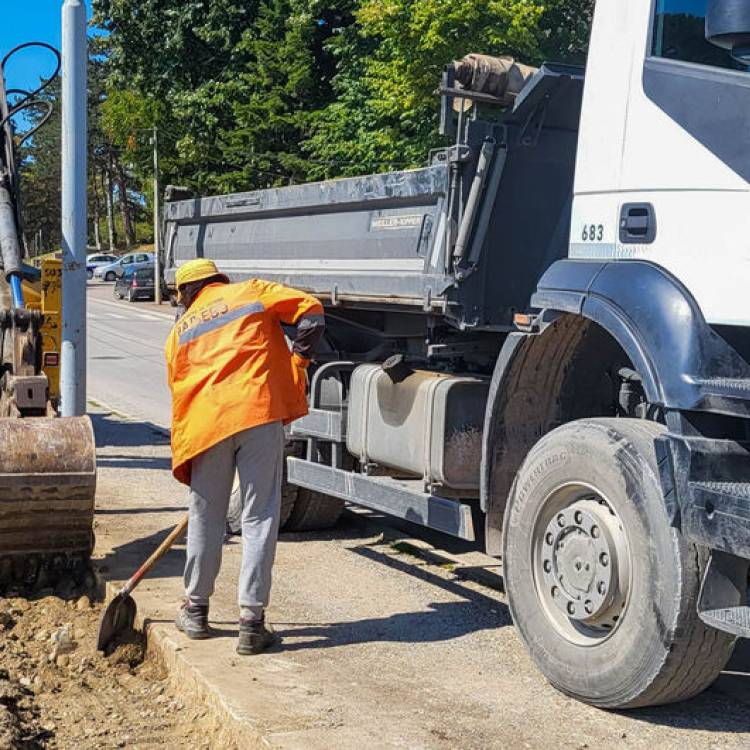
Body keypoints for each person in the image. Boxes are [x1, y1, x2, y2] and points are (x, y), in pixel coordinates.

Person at [164, 259, 324, 655]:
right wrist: (299, 362)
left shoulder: (179, 333)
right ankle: (252, 623)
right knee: (259, 517)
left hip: (206, 427)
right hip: (258, 414)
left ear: (188, 292)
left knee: (205, 518)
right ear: (216, 281)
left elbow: (178, 391)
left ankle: (196, 611)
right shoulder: (251, 292)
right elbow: (311, 311)